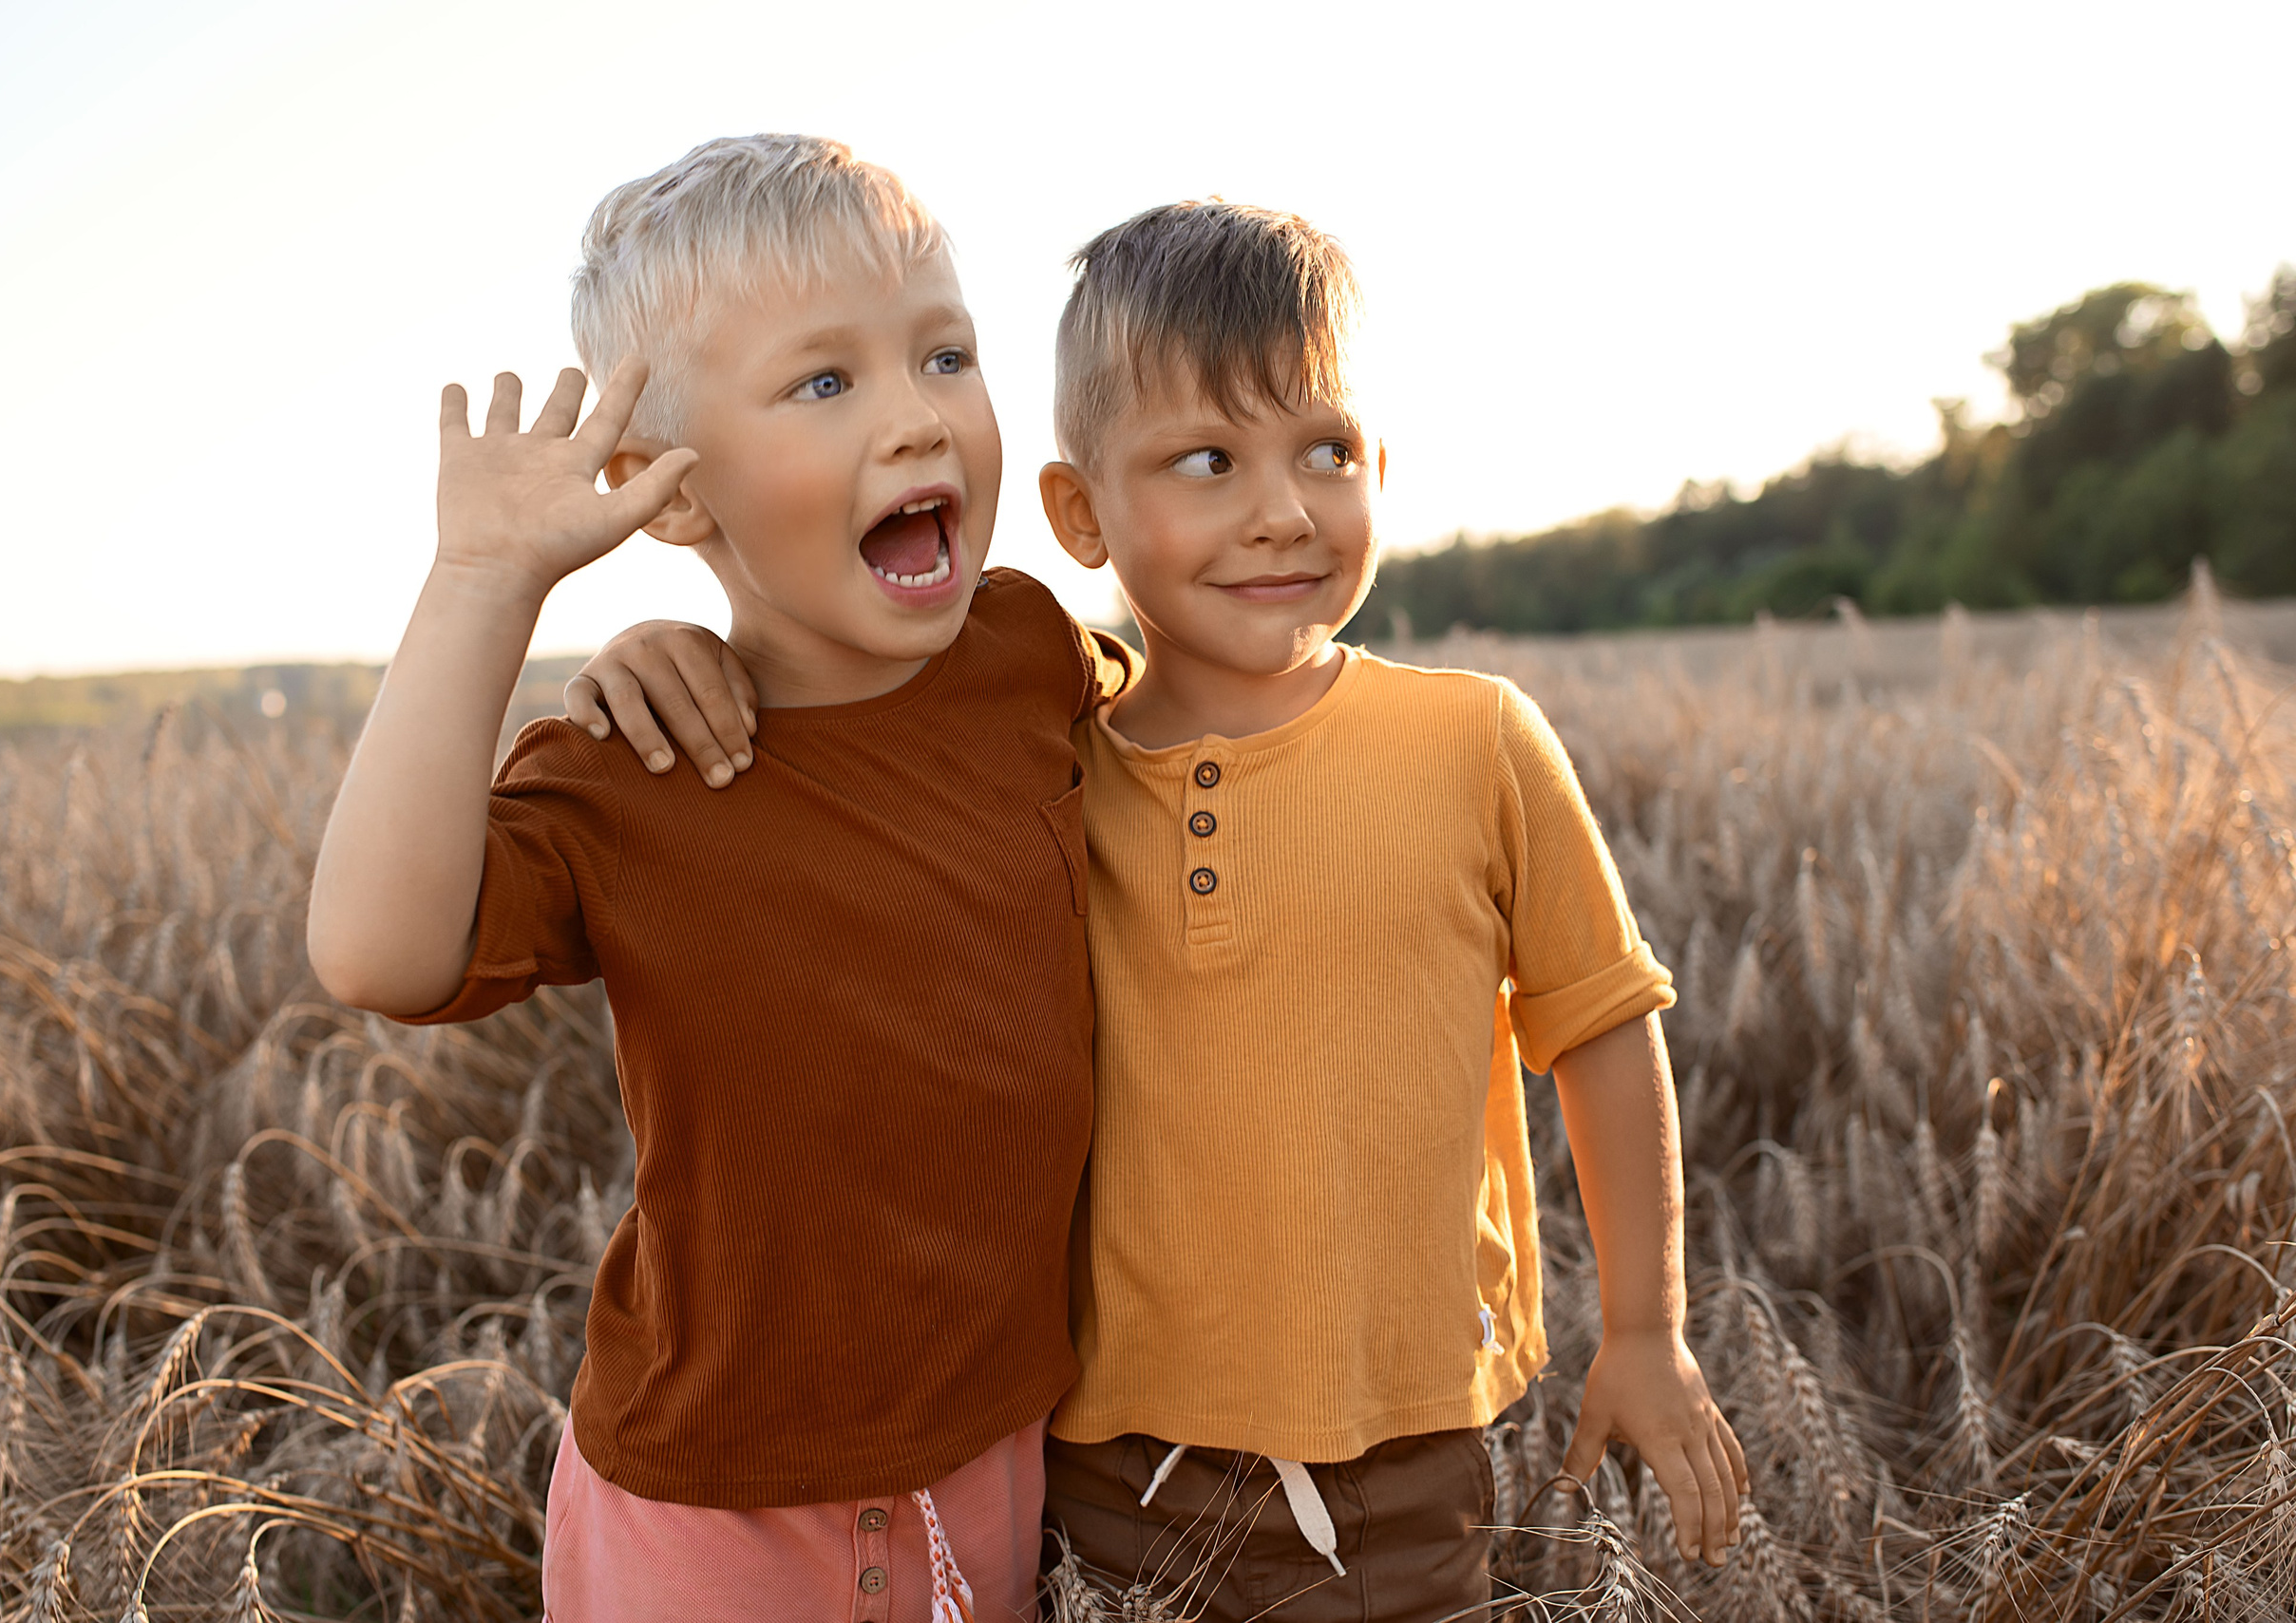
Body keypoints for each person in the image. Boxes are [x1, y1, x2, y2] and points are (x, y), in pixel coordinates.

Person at [571, 198, 1746, 1621]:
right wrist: (667, 641)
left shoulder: (1475, 742)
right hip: (1101, 1460)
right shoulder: (1041, 751)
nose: (1282, 509)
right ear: (1080, 513)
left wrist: (1646, 1327)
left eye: (1327, 451)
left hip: (1403, 1444)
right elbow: (833, 702)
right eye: (1207, 459)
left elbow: (1604, 1024)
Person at [305, 133, 1126, 1623]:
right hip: (707, 1514)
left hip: (995, 1458)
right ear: (667, 495)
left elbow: (1214, 722)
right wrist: (487, 585)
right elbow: (377, 952)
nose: (915, 419)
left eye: (945, 354)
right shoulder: (639, 770)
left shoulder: (1031, 654)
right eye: (826, 383)